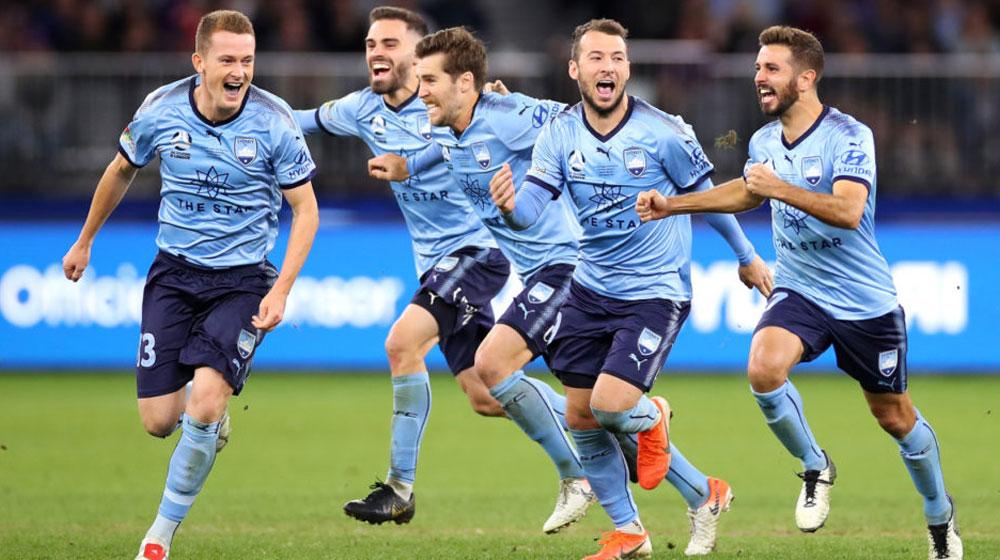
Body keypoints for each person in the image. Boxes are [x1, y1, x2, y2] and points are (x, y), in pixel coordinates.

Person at [636, 25, 963, 560]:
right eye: (757, 68)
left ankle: (939, 516)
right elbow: (748, 192)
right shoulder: (764, 141)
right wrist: (672, 205)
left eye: (771, 68)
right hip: (800, 286)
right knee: (764, 368)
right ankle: (815, 467)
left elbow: (848, 210)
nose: (759, 77)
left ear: (806, 78)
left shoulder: (849, 136)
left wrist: (777, 189)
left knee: (895, 417)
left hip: (863, 300)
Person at [490, 18, 772, 559]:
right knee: (581, 417)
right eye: (596, 58)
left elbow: (709, 198)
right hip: (589, 289)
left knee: (612, 406)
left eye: (617, 58)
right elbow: (530, 210)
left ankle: (654, 416)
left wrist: (747, 256)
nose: (608, 67)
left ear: (627, 69)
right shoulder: (559, 134)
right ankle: (646, 524)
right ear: (575, 70)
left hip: (655, 292)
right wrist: (508, 207)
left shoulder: (664, 131)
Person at [294, 7, 578, 529]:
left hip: (477, 253)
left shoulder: (457, 105)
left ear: (419, 54)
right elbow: (301, 120)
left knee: (402, 343)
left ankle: (398, 488)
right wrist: (236, 110)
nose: (377, 53)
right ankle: (605, 419)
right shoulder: (362, 108)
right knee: (486, 395)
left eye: (390, 44)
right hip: (434, 265)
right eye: (370, 44)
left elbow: (542, 127)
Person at [61, 10, 320, 560]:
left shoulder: (274, 122)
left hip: (243, 281)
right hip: (174, 275)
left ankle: (159, 536)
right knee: (159, 421)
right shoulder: (161, 108)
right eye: (227, 60)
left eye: (247, 60)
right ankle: (209, 425)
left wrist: (281, 289)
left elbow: (306, 211)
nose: (239, 72)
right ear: (199, 61)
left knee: (203, 403)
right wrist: (84, 241)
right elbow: (121, 169)